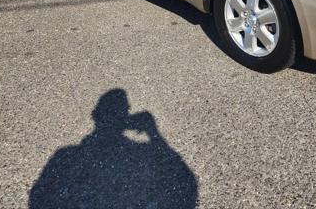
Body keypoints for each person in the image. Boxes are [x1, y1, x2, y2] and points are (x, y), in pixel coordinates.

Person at [29, 89, 197, 208]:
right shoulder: (65, 154)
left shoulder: (64, 155)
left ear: (95, 114)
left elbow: (38, 197)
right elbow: (185, 177)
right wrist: (154, 133)